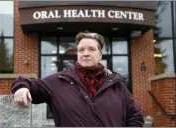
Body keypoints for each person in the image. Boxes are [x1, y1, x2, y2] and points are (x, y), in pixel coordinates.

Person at [11, 32, 144, 127]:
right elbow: (33, 85)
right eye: (81, 50)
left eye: (91, 49)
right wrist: (21, 86)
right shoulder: (59, 81)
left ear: (100, 54)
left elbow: (135, 116)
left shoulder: (117, 85)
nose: (86, 53)